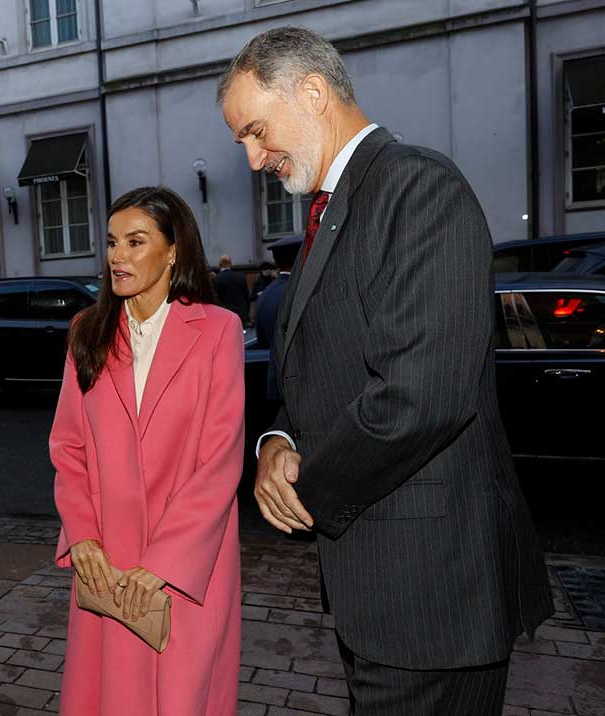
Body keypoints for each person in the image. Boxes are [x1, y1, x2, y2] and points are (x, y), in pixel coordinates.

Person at [218, 27, 552, 714]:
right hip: (383, 596)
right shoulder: (333, 209)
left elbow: (420, 396)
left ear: (312, 92)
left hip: (433, 597)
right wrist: (276, 442)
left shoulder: (417, 187)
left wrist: (308, 487)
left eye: (256, 131)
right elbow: (327, 369)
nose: (253, 159)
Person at [52, 186, 244, 715]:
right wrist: (83, 537)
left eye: (135, 242)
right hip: (106, 564)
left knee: (182, 700)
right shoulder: (86, 332)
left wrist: (161, 563)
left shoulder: (217, 331)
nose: (118, 256)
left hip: (186, 568)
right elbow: (68, 447)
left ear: (174, 249)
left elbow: (220, 460)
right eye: (112, 243)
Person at [254, 239, 296, 402]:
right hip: (303, 384)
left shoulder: (266, 293)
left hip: (275, 380)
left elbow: (262, 339)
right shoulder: (298, 289)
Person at [213, 254, 250, 326]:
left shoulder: (217, 279)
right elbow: (246, 297)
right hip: (240, 314)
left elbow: (215, 299)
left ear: (219, 264)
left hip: (225, 314)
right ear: (231, 264)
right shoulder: (240, 277)